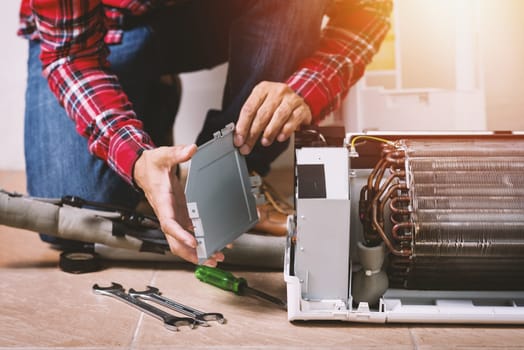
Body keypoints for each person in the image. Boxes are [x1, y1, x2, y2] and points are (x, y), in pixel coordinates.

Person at [18, 0, 392, 266]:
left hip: (215, 14)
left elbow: (369, 10)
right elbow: (70, 54)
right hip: (104, 29)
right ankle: (147, 99)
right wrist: (133, 155)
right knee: (74, 220)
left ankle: (233, 173)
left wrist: (310, 87)